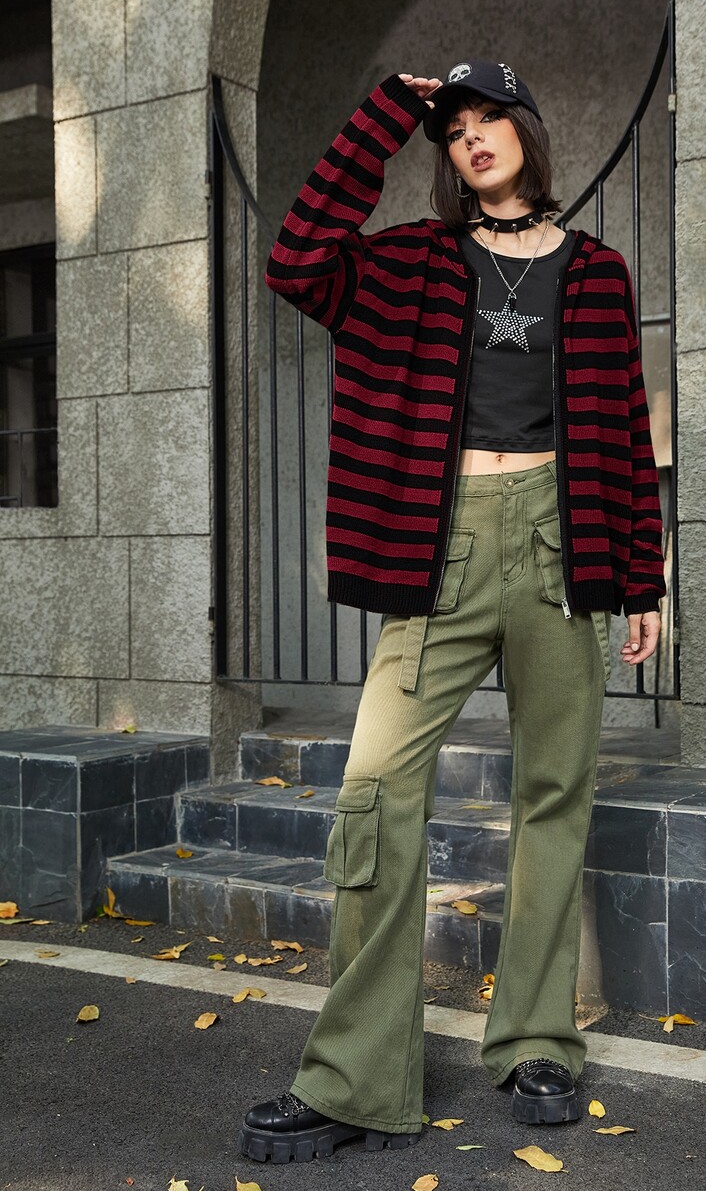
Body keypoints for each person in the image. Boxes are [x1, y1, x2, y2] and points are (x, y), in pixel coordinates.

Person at [240, 60, 665, 1166]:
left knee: (554, 794)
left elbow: (623, 423)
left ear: (527, 130)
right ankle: (356, 1076)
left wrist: (644, 576)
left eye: (489, 119)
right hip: (442, 548)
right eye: (454, 127)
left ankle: (536, 1041)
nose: (472, 137)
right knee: (376, 793)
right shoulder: (407, 265)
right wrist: (386, 112)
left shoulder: (598, 272)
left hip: (562, 544)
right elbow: (295, 258)